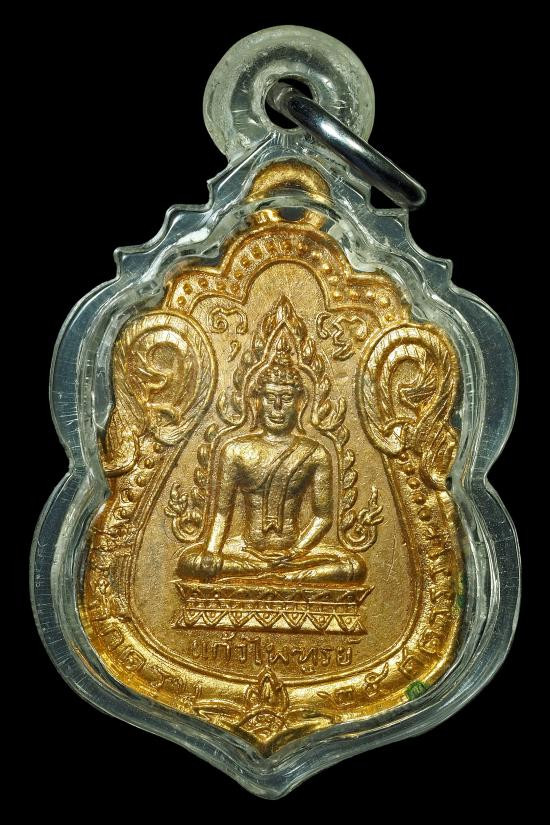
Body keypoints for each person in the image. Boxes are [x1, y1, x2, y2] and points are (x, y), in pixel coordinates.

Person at [177, 335, 366, 583]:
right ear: (257, 402)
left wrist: (296, 552)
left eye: (286, 398)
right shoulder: (235, 450)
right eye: (269, 397)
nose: (277, 406)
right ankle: (280, 576)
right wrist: (212, 554)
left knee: (354, 566)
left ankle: (278, 574)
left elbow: (323, 517)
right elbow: (221, 514)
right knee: (191, 562)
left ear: (300, 404)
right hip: (246, 550)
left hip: (296, 553)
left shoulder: (315, 452)